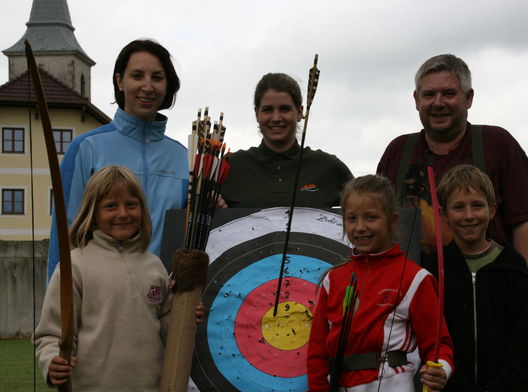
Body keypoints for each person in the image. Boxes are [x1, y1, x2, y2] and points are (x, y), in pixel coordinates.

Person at [377, 54, 528, 278]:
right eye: (429, 94)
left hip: (488, 292)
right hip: (410, 299)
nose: (438, 103)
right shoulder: (398, 151)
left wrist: (525, 291)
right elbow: (378, 224)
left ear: (468, 98)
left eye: (449, 93)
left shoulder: (497, 143)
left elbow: (525, 222)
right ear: (416, 100)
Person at [47, 39, 189, 280]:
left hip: (164, 299)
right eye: (137, 75)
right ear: (120, 81)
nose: (147, 86)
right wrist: (61, 307)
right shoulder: (86, 148)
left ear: (167, 86)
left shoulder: (183, 157)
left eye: (157, 77)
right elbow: (65, 235)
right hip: (100, 300)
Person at [307, 175, 453, 392]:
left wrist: (440, 369)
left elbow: (437, 344)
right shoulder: (333, 279)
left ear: (392, 221)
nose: (360, 227)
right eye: (352, 218)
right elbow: (317, 353)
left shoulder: (416, 278)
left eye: (371, 217)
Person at [35, 166, 171, 391]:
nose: (123, 214)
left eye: (131, 204)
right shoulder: (74, 266)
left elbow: (170, 329)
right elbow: (51, 333)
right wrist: (52, 362)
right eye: (110, 206)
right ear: (93, 213)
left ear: (142, 209)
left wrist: (186, 315)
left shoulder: (155, 265)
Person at [422, 164, 528, 391]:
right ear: (443, 214)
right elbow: (429, 343)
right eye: (458, 207)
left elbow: (524, 349)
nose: (469, 216)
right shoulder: (433, 270)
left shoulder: (513, 268)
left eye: (477, 205)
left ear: (492, 210)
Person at [220, 72, 353, 208]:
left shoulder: (328, 167)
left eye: (284, 109)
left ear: (300, 112)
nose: (276, 118)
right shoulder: (229, 166)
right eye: (268, 110)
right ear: (257, 114)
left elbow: (366, 209)